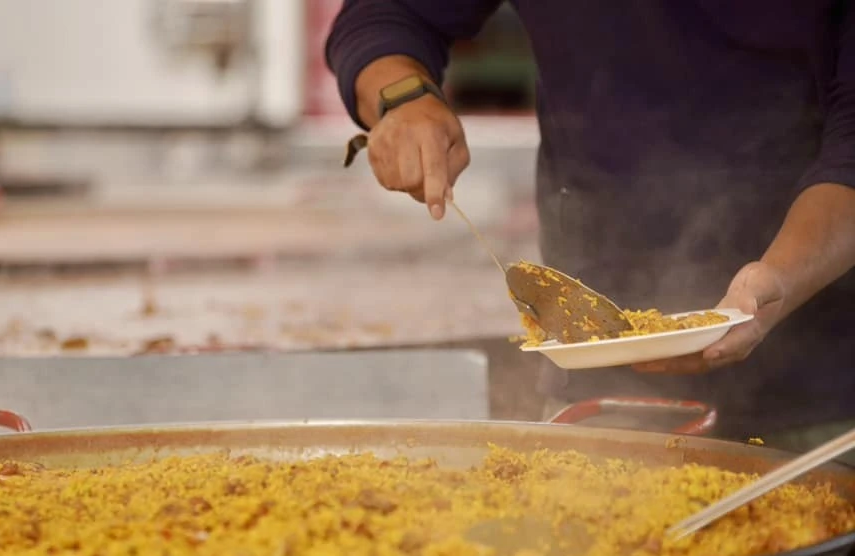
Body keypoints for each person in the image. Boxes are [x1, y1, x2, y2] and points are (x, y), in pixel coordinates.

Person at [325, 1, 855, 454]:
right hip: (593, 377)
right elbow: (389, 13)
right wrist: (404, 99)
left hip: (822, 384)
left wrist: (781, 280)